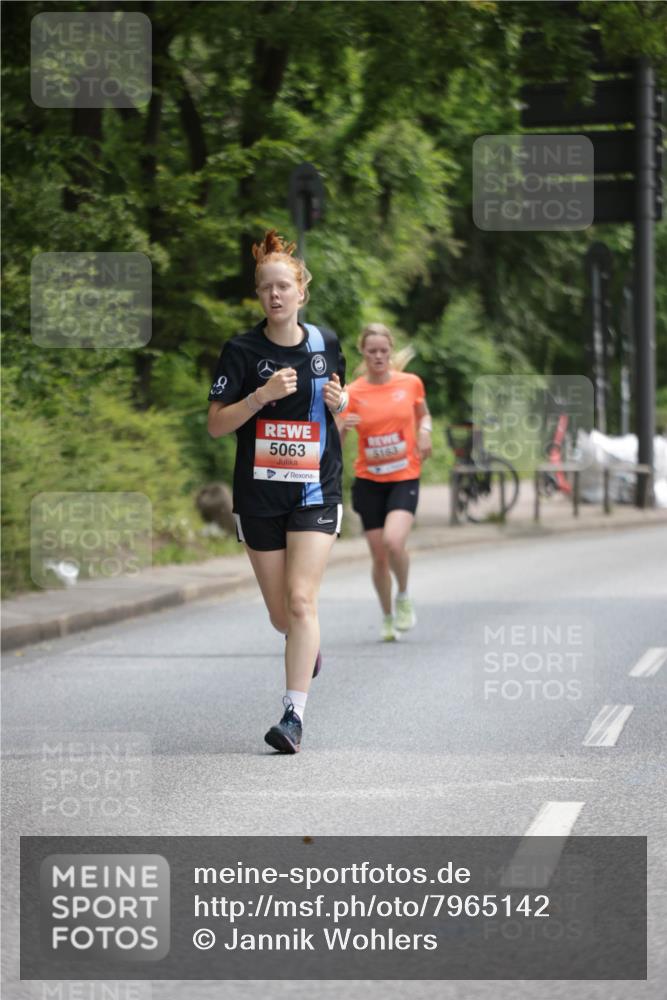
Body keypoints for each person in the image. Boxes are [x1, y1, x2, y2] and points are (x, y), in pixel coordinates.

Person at [207, 230, 347, 754]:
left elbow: (342, 413)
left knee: (301, 599)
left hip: (315, 489)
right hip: (259, 496)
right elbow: (217, 426)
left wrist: (341, 403)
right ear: (259, 295)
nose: (275, 295)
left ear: (301, 293)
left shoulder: (325, 343)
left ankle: (293, 716)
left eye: (284, 286)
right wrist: (259, 397)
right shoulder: (241, 350)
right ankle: (304, 646)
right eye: (266, 287)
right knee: (280, 617)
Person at [337, 323, 431, 641]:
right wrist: (341, 424)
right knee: (378, 555)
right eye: (371, 351)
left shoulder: (411, 383)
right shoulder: (352, 392)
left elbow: (424, 415)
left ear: (391, 350)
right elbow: (333, 443)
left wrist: (426, 432)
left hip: (404, 476)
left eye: (383, 350)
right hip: (369, 480)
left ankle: (403, 595)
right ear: (363, 352)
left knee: (393, 542)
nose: (378, 356)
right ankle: (388, 616)